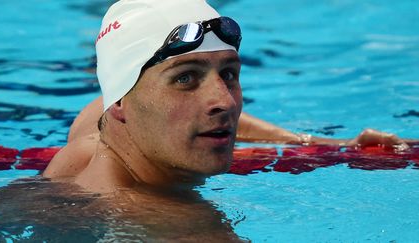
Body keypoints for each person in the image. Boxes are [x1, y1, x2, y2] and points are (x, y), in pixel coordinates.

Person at [43, 0, 410, 194]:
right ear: (121, 102)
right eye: (185, 78)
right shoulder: (172, 226)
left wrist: (321, 144)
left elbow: (95, 105)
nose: (225, 102)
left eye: (229, 74)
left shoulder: (91, 139)